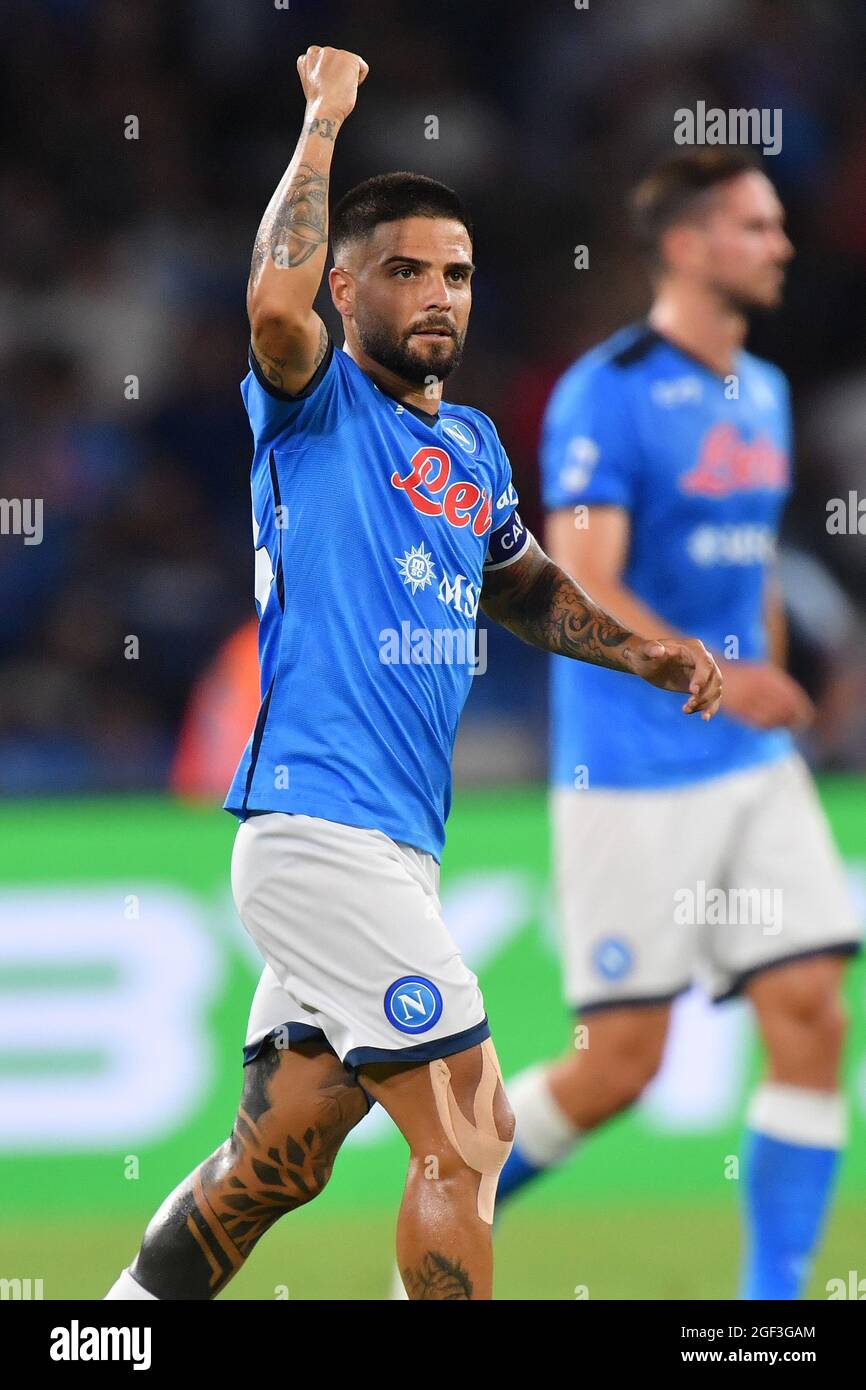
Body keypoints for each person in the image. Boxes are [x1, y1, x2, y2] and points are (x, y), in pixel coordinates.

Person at [103, 49, 721, 1302]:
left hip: (389, 841)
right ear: (347, 284)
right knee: (472, 1127)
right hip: (317, 828)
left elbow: (521, 583)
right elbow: (273, 313)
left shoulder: (472, 444)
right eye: (404, 270)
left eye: (455, 273)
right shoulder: (315, 401)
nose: (438, 293)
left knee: (276, 1159)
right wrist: (323, 120)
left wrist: (642, 650)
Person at [497, 150, 861, 1300]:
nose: (781, 244)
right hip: (630, 765)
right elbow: (584, 582)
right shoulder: (603, 392)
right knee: (619, 1069)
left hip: (747, 757)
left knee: (809, 1006)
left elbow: (743, 561)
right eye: (756, 226)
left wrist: (759, 673)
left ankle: (771, 1310)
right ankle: (443, 1206)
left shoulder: (756, 389)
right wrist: (716, 671)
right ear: (691, 246)